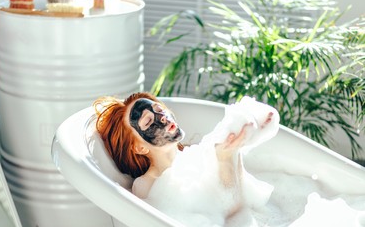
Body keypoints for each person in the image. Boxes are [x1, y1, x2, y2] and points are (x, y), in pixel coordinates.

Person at [93, 92, 269, 215]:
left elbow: (236, 206)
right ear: (140, 148)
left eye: (159, 110)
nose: (162, 117)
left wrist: (234, 150)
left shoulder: (199, 154)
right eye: (148, 121)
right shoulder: (146, 186)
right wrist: (225, 157)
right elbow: (225, 209)